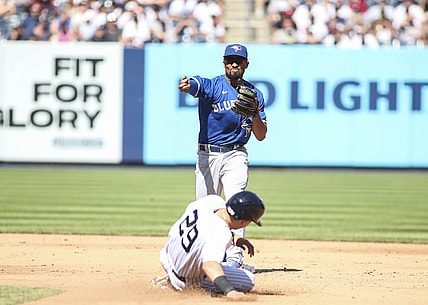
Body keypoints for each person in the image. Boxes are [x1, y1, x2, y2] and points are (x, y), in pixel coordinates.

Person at [177, 43, 267, 270]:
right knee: (206, 209)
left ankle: (235, 256)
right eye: (230, 59)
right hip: (208, 156)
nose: (234, 63)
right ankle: (203, 257)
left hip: (236, 154)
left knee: (238, 200)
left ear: (246, 64)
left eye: (239, 60)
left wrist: (254, 111)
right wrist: (188, 85)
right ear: (224, 62)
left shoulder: (255, 95)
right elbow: (197, 84)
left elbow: (261, 135)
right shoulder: (213, 85)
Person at [154, 190, 265, 300]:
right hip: (184, 279)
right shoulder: (220, 234)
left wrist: (235, 238)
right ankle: (173, 283)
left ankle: (173, 275)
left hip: (167, 256)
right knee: (248, 280)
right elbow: (209, 265)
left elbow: (204, 230)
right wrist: (229, 291)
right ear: (243, 222)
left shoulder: (211, 201)